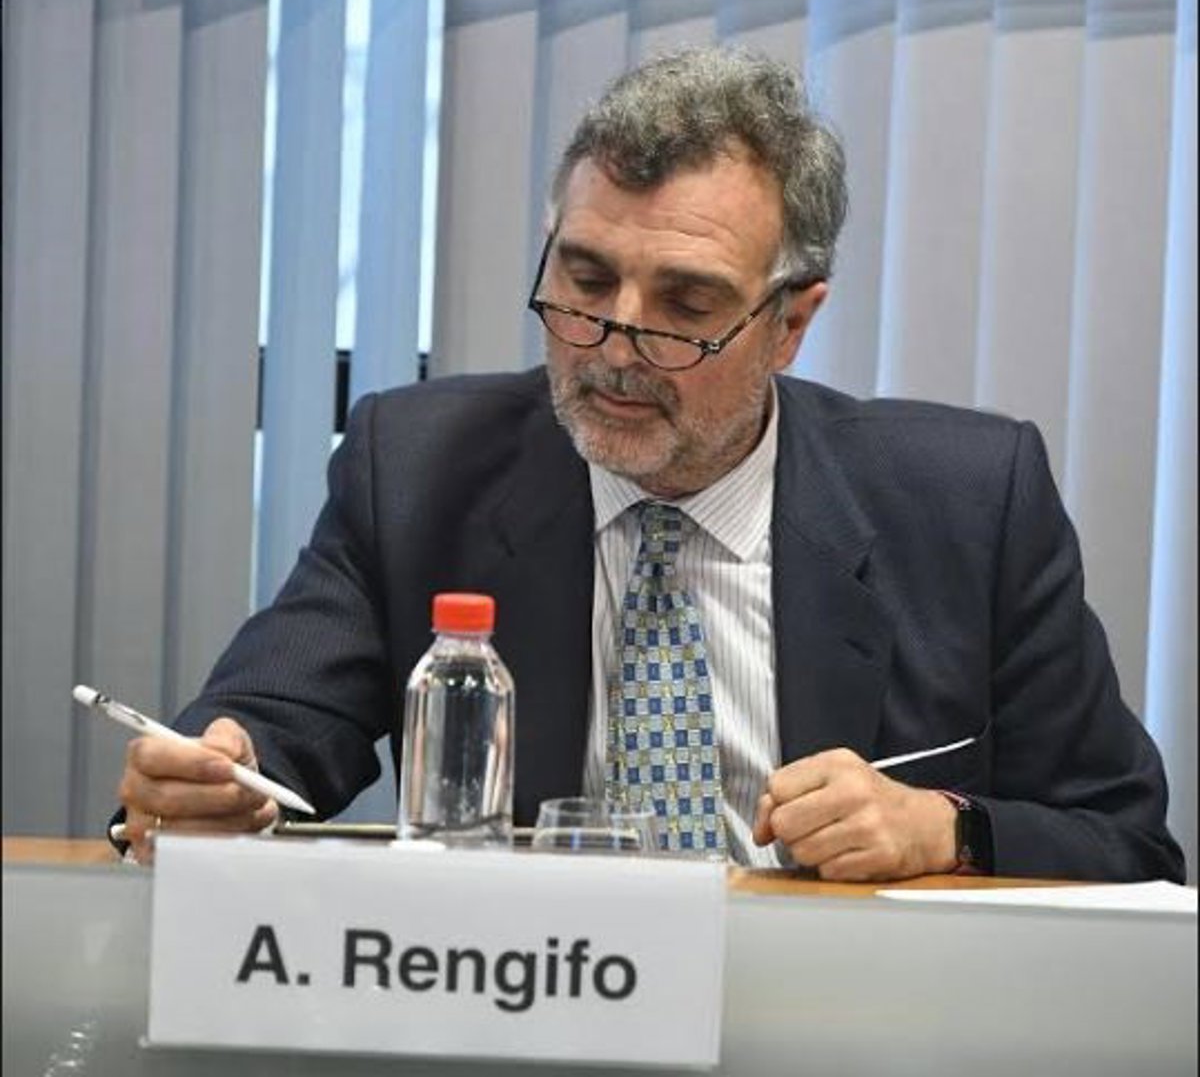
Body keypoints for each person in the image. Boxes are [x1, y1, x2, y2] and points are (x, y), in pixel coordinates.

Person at [115, 45, 1184, 883]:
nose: (615, 346)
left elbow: (1125, 840)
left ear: (791, 323)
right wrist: (214, 776)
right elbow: (271, 724)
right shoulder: (418, 465)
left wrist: (944, 829)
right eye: (586, 281)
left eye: (687, 304)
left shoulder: (968, 501)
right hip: (528, 1005)